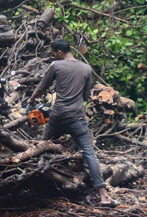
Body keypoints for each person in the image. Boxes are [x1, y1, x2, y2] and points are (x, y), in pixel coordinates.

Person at [30, 38, 114, 206]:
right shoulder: (86, 68)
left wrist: (31, 100)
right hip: (77, 117)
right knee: (89, 153)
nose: (54, 56)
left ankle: (34, 186)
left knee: (42, 146)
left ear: (59, 52)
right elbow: (85, 96)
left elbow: (41, 88)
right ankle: (104, 195)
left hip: (58, 116)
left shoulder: (56, 65)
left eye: (54, 53)